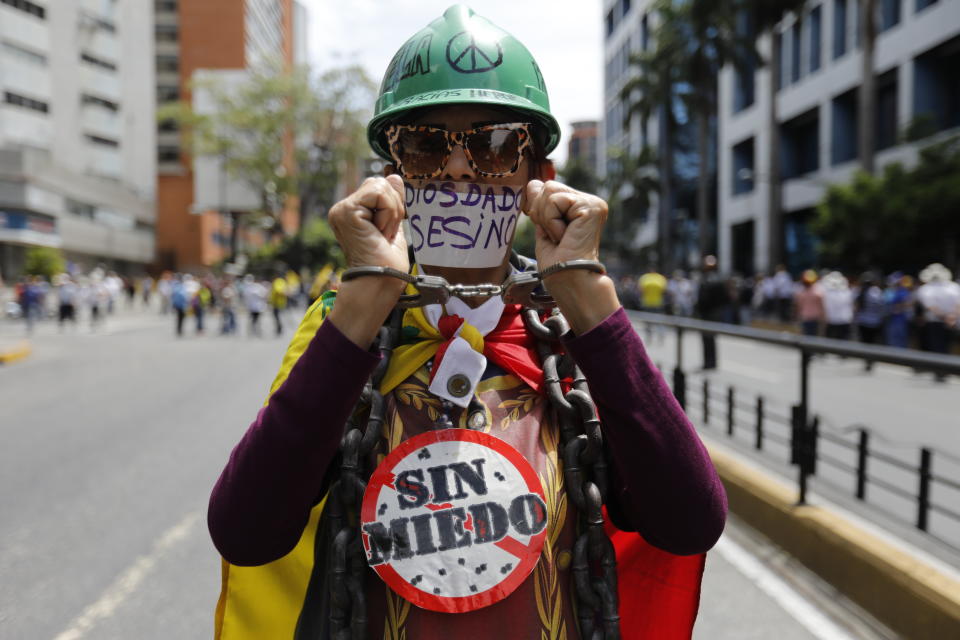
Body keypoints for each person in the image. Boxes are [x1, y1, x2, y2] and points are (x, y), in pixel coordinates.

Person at [208, 7, 725, 640]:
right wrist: (366, 300)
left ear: (538, 179)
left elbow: (690, 522)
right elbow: (245, 531)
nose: (457, 168)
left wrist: (590, 296)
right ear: (392, 178)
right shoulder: (342, 332)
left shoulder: (575, 334)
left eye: (495, 142)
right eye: (426, 145)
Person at [916, 263, 960, 379]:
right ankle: (947, 369)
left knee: (937, 346)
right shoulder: (954, 287)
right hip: (952, 321)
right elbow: (958, 305)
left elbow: (930, 307)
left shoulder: (926, 289)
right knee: (948, 346)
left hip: (935, 322)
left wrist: (945, 317)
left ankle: (940, 371)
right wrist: (952, 318)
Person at [695, 255, 731, 370]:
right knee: (709, 338)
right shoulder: (716, 279)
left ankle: (709, 362)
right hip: (711, 312)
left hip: (709, 313)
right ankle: (710, 361)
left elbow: (705, 298)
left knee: (708, 338)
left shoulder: (709, 279)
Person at [794, 270, 823, 336]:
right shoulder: (818, 292)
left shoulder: (801, 292)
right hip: (812, 319)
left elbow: (798, 307)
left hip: (808, 318)